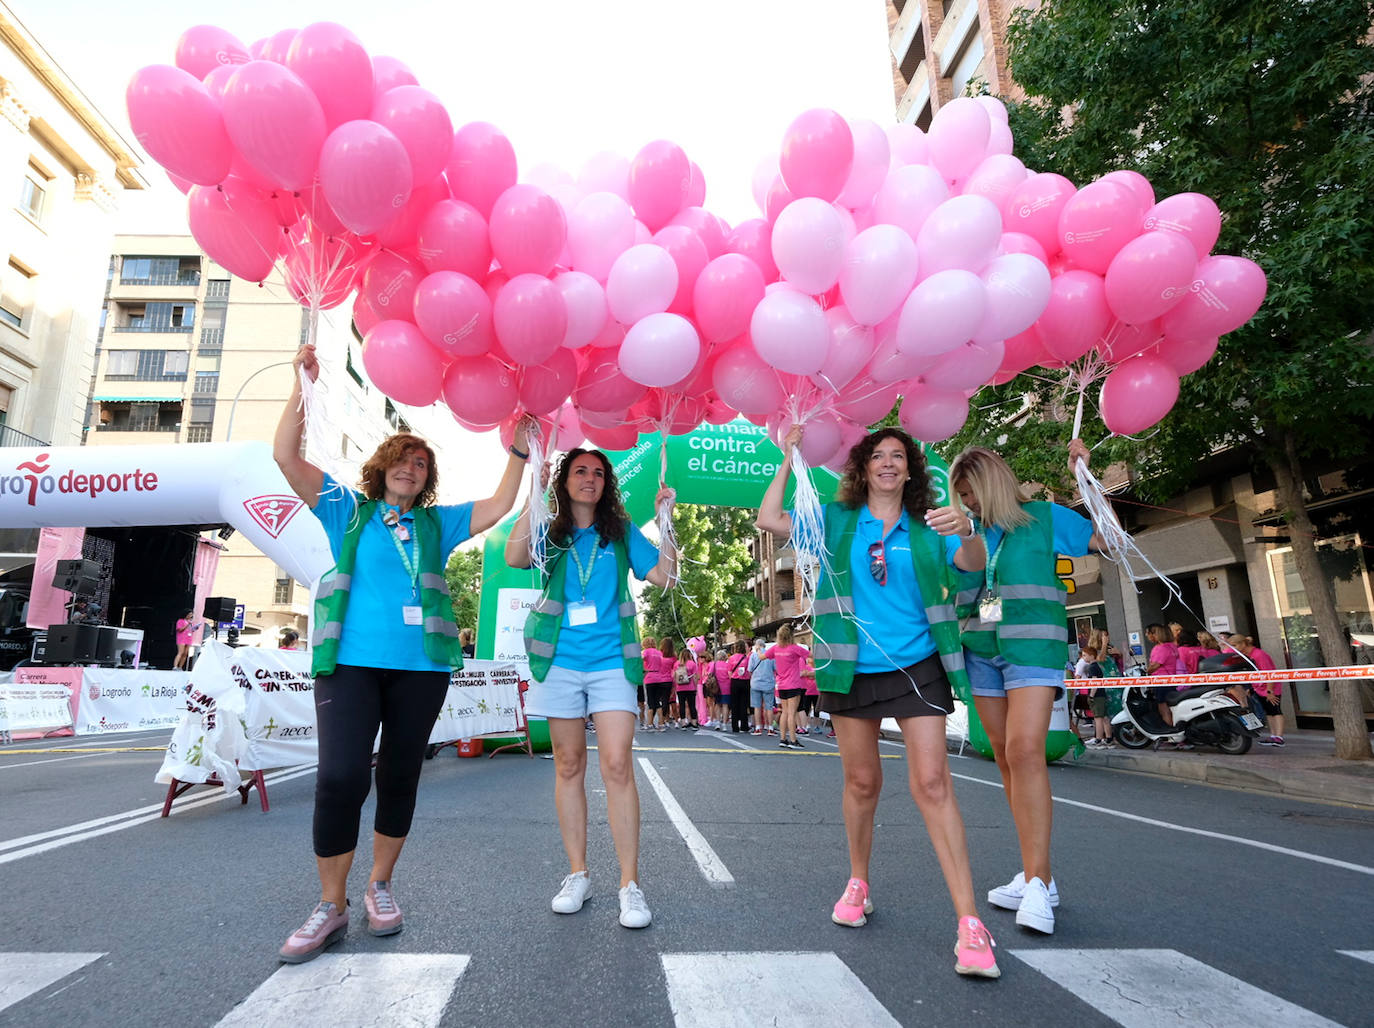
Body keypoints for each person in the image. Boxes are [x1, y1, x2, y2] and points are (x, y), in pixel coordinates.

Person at [272, 340, 532, 963]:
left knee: (399, 776)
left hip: (421, 670)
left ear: (427, 478)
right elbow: (285, 456)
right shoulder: (346, 509)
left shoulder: (438, 525)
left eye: (421, 464)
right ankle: (330, 905)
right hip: (351, 666)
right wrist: (301, 387)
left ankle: (379, 886)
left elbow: (498, 507)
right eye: (402, 459)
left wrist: (520, 451)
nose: (411, 469)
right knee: (338, 779)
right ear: (383, 465)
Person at [758, 424, 1001, 979]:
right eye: (878, 456)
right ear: (862, 468)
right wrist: (787, 456)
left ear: (911, 470)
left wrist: (967, 531)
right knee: (863, 783)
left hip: (919, 666)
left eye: (898, 456)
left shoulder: (930, 522)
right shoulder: (837, 519)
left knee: (932, 783)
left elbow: (973, 563)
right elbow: (769, 519)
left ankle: (970, 922)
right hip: (850, 667)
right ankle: (859, 880)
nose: (888, 463)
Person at [505, 447, 677, 930]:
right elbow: (514, 555)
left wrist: (667, 521)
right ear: (566, 479)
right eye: (580, 471)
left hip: (610, 662)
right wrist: (534, 492)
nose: (590, 479)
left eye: (598, 473)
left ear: (607, 484)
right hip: (558, 661)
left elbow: (664, 576)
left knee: (618, 763)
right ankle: (578, 873)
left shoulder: (620, 532)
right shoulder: (551, 530)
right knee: (569, 764)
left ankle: (630, 884)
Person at [948, 440, 1108, 938]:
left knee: (1025, 751)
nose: (967, 503)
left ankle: (1038, 883)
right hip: (981, 648)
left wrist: (1087, 478)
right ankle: (1037, 874)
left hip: (1034, 648)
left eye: (971, 493)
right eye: (961, 496)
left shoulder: (1043, 516)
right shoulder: (968, 532)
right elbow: (962, 581)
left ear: (991, 483)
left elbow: (1109, 538)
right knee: (1000, 753)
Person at [1229, 634, 1283, 745]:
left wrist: (1270, 691)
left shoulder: (1259, 655)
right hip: (1259, 688)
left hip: (1269, 688)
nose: (1233, 648)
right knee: (1269, 712)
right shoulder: (1248, 655)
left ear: (1243, 644)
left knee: (1275, 711)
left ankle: (1279, 737)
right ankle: (1273, 736)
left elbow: (1269, 673)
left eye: (1234, 645)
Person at [764, 624, 810, 749]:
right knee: (792, 713)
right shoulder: (794, 648)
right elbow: (810, 655)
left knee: (784, 712)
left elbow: (762, 657)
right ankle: (793, 740)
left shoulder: (775, 648)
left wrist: (758, 649)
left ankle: (783, 739)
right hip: (793, 684)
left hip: (781, 685)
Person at [1145, 622, 1183, 735]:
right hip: (1172, 681)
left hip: (1161, 682)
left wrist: (1146, 671)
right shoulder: (1172, 646)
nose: (1147, 636)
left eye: (1148, 633)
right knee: (1171, 708)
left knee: (1164, 709)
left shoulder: (1160, 648)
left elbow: (1155, 666)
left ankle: (1169, 733)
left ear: (1154, 634)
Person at [645, 637, 675, 731]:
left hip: (650, 677)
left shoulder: (646, 651)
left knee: (650, 702)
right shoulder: (658, 653)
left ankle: (650, 724)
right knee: (658, 703)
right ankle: (661, 724)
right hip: (659, 678)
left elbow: (641, 659)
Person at [748, 638, 776, 736]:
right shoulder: (771, 655)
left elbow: (750, 669)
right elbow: (775, 669)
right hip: (768, 683)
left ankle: (758, 727)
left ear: (757, 646)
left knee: (757, 707)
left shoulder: (753, 655)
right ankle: (770, 728)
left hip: (756, 683)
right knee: (769, 707)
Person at [726, 641, 751, 733]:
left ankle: (735, 726)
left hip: (735, 681)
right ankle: (744, 725)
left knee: (734, 704)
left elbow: (729, 672)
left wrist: (733, 678)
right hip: (745, 682)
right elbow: (749, 671)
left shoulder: (731, 658)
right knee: (744, 704)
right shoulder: (747, 658)